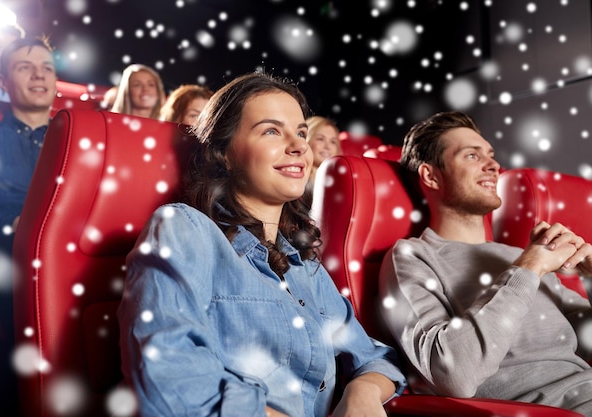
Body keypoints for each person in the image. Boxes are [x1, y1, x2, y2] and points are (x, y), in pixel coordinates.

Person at [118, 71, 406, 417]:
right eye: (271, 130)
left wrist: (362, 393)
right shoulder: (184, 229)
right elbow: (168, 378)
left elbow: (375, 357)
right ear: (223, 152)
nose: (301, 145)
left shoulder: (303, 264)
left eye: (301, 132)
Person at [378, 111, 592, 414]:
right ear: (430, 175)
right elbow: (453, 375)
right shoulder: (412, 256)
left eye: (491, 155)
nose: (493, 165)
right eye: (471, 156)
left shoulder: (519, 254)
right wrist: (527, 270)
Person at [0, 36, 57, 416]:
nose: (39, 74)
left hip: (71, 268)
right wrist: (17, 225)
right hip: (3, 271)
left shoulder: (82, 141)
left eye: (47, 68)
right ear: (2, 80)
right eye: (25, 67)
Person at [305, 115, 342, 184]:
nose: (327, 147)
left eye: (333, 142)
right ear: (307, 141)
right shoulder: (297, 179)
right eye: (320, 139)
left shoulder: (341, 180)